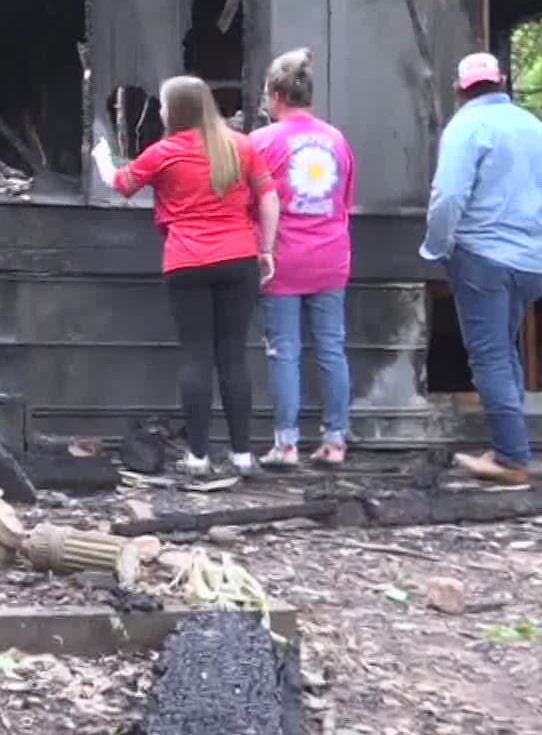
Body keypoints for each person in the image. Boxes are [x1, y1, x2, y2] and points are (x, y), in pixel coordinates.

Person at [92, 76, 280, 476]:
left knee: (197, 357)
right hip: (238, 259)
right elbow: (268, 197)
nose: (160, 111)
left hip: (186, 261)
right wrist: (265, 249)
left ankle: (198, 456)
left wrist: (101, 157)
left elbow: (119, 184)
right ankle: (243, 455)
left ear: (176, 111)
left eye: (163, 105)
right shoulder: (241, 146)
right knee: (233, 357)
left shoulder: (163, 153)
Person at [419, 51, 542, 486]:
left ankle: (512, 458)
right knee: (506, 350)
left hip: (484, 256)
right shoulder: (537, 128)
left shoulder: (465, 127)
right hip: (532, 259)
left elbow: (448, 197)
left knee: (490, 355)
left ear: (460, 89)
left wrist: (437, 246)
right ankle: (510, 446)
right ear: (502, 82)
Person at [250, 50, 355, 468]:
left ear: (276, 95)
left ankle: (286, 444)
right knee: (332, 348)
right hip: (331, 257)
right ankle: (335, 441)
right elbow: (344, 199)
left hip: (281, 260)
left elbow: (248, 203)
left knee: (284, 351)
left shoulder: (261, 142)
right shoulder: (337, 139)